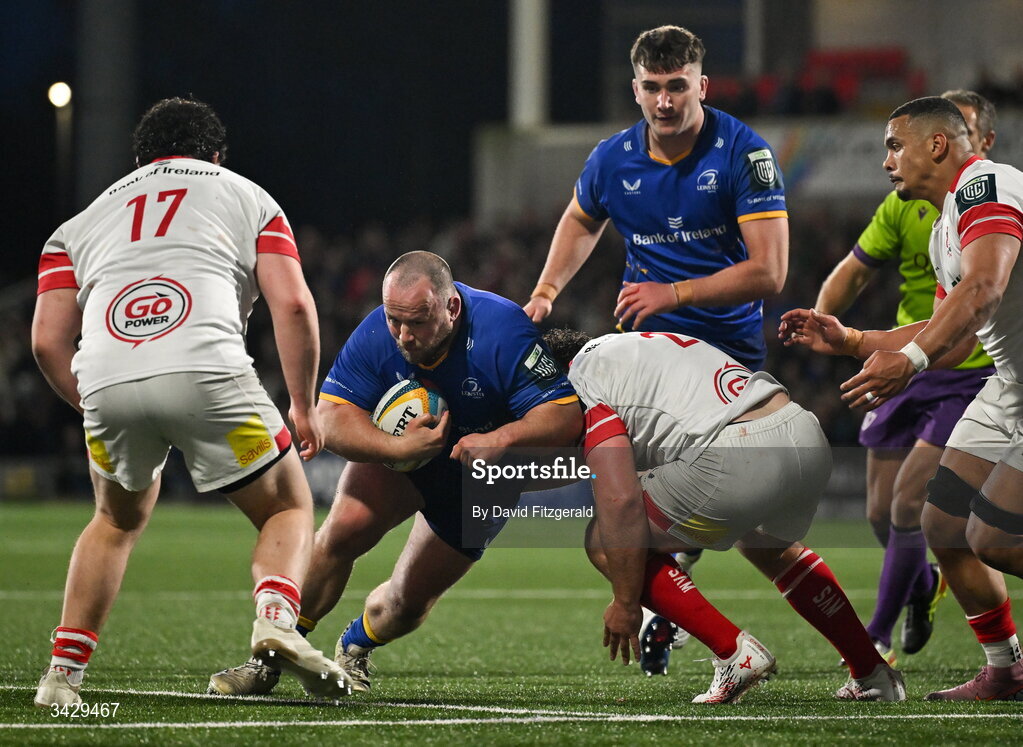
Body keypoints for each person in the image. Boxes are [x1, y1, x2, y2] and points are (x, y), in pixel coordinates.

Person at [30, 98, 349, 708]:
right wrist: (303, 405)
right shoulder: (249, 197)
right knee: (288, 506)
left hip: (106, 375)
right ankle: (277, 621)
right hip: (207, 369)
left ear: (138, 159)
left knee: (115, 520)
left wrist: (94, 404)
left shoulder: (79, 223)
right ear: (216, 155)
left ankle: (62, 676)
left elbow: (47, 341)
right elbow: (295, 306)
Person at [523, 23, 789, 676]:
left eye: (677, 87)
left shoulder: (743, 153)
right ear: (634, 89)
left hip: (724, 358)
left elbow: (770, 271)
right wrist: (545, 290)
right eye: (652, 88)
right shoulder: (611, 158)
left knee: (752, 533)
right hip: (647, 356)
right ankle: (686, 623)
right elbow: (581, 218)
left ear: (701, 84)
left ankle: (858, 659)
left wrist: (670, 293)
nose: (664, 101)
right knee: (624, 515)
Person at [209, 251, 583, 695]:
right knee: (341, 534)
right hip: (405, 462)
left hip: (481, 483)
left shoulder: (503, 329)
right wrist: (396, 446)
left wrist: (500, 440)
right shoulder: (375, 333)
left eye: (418, 322)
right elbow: (329, 417)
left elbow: (563, 417)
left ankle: (354, 647)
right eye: (395, 320)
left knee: (406, 605)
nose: (404, 336)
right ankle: (267, 660)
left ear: (452, 308)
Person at [781, 96, 1023, 700]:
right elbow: (947, 327)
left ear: (936, 145)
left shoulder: (984, 185)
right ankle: (1006, 668)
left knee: (993, 539)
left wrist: (908, 362)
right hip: (1009, 382)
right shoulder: (945, 225)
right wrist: (852, 339)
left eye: (895, 145)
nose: (886, 160)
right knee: (940, 521)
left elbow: (986, 289)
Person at [542, 328, 905, 703]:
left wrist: (625, 601)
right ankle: (873, 672)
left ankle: (734, 653)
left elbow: (620, 501)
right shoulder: (626, 346)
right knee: (771, 550)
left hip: (738, 453)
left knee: (605, 539)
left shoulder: (576, 383)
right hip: (801, 431)